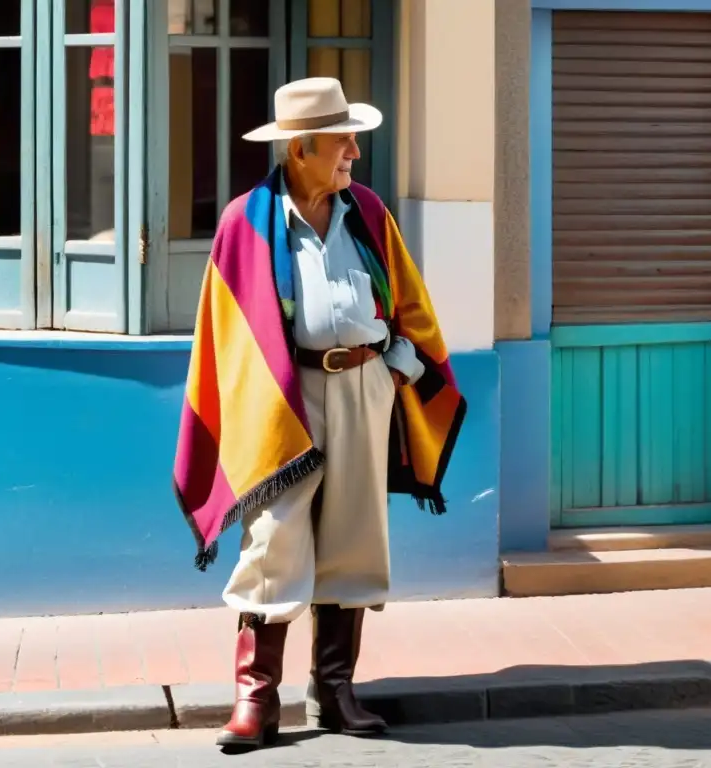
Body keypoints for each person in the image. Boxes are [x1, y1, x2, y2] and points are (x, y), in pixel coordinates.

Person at [172, 77, 466, 751]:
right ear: (300, 147)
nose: (355, 154)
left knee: (355, 537)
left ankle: (334, 693)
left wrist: (397, 372)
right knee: (273, 543)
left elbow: (410, 307)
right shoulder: (245, 222)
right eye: (343, 141)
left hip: (364, 388)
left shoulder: (367, 211)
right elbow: (223, 332)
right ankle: (256, 700)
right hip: (285, 399)